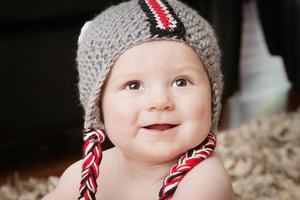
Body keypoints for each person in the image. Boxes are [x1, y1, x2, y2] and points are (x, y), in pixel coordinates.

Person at [43, 0, 234, 199]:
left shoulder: (205, 182)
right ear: (98, 105)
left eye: (181, 82)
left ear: (212, 95)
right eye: (133, 85)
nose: (160, 101)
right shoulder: (85, 176)